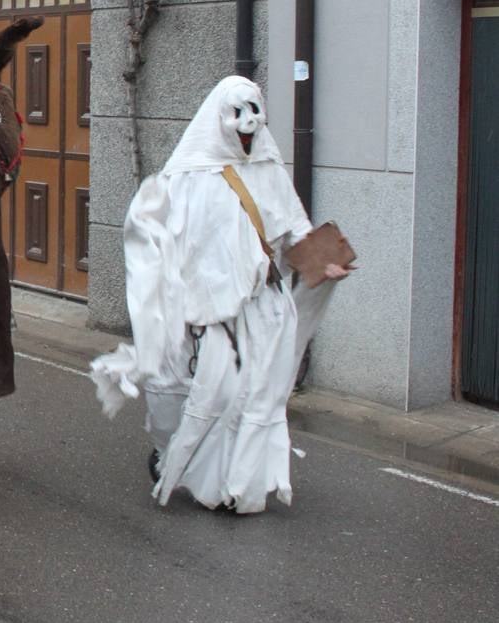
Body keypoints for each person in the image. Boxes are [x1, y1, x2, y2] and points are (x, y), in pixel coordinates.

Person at [89, 76, 351, 514]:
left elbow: (294, 231)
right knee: (208, 394)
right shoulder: (185, 179)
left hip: (263, 308)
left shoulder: (269, 170)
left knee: (255, 396)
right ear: (219, 117)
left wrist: (324, 262)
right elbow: (162, 241)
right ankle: (176, 456)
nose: (248, 123)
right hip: (206, 316)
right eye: (237, 112)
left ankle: (237, 484)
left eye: (255, 111)